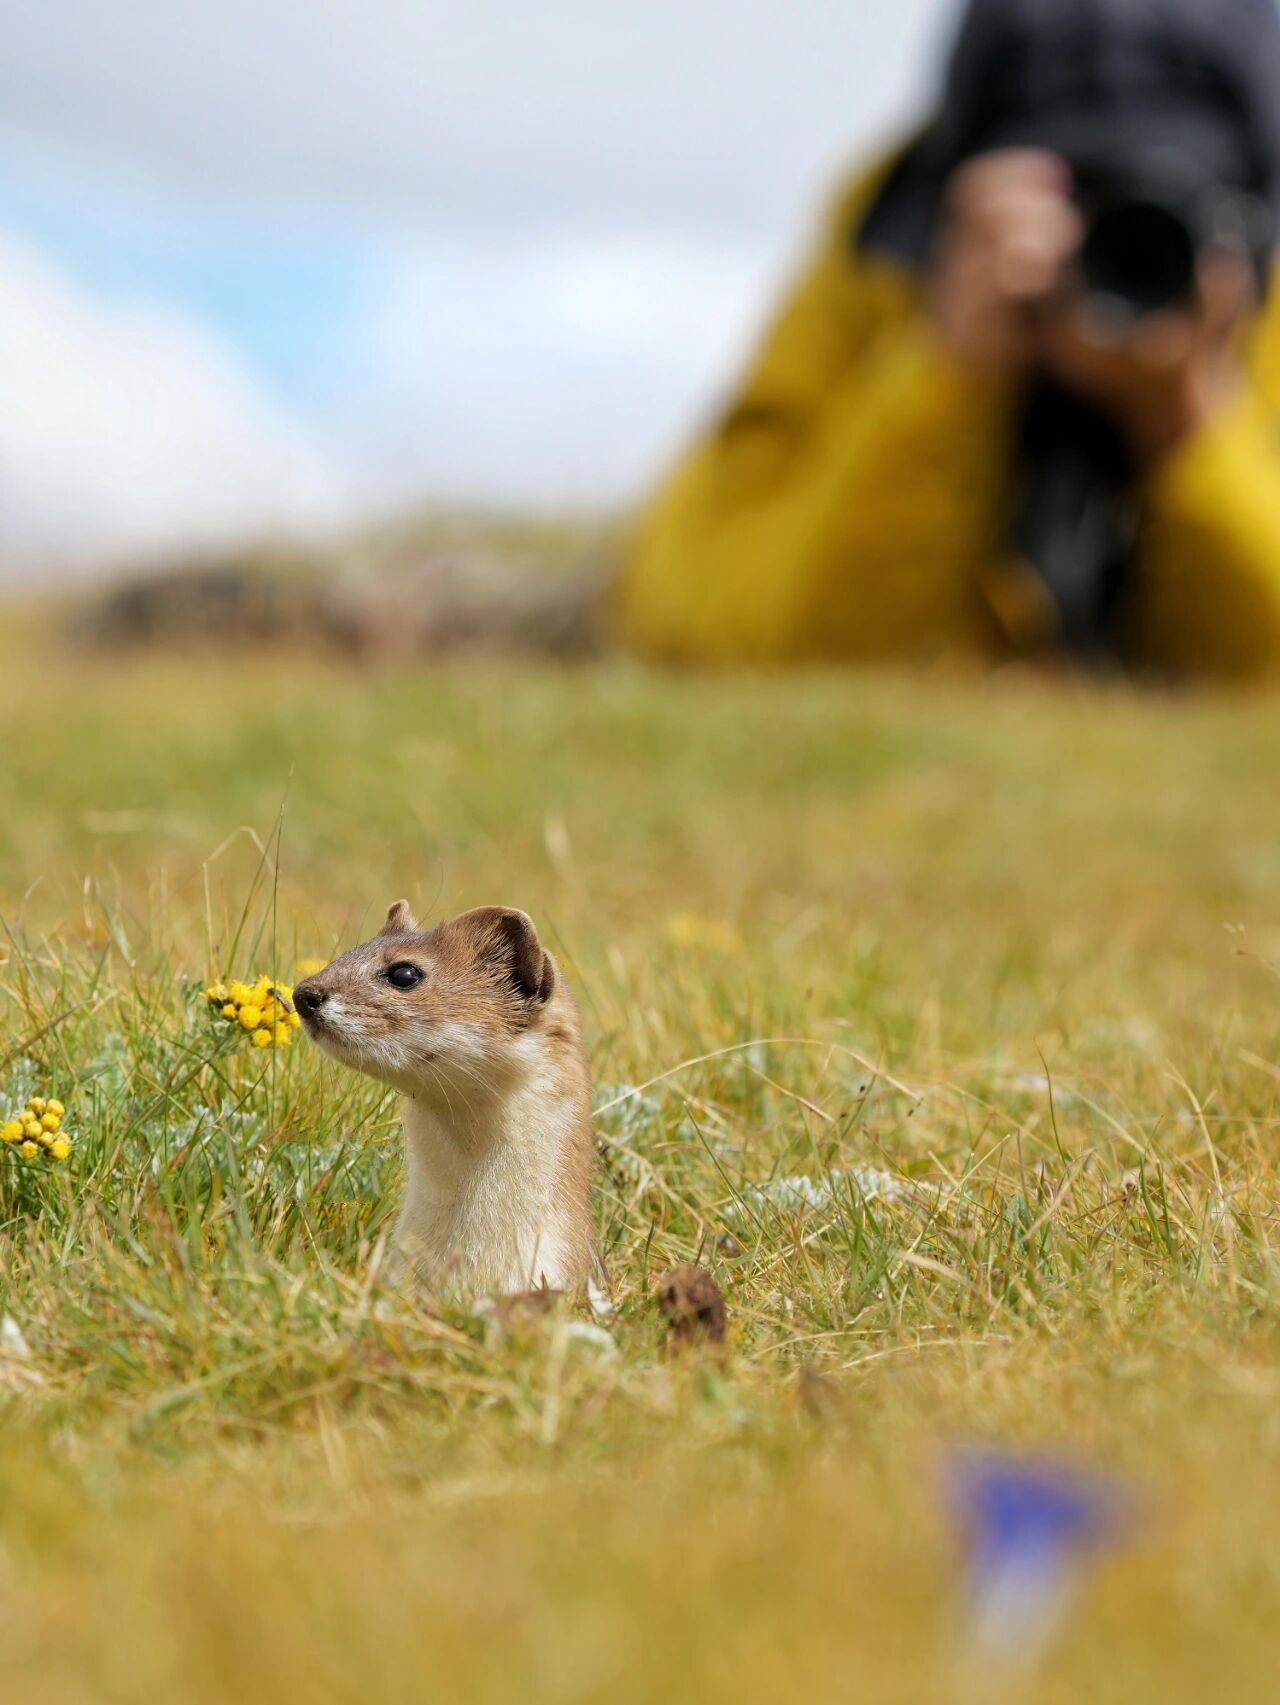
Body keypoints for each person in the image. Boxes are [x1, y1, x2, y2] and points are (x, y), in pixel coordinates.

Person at [613, 0, 1280, 680]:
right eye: (1075, 193)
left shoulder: (1265, 294)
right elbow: (697, 625)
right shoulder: (889, 258)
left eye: (1175, 205)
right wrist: (951, 376)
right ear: (957, 184)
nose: (1116, 242)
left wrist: (1187, 422)